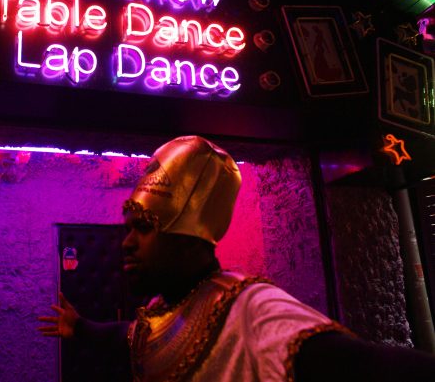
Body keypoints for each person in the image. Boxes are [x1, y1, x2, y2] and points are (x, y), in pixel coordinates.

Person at [39, 135, 435, 381]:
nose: (126, 243)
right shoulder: (166, 308)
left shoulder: (251, 308)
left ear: (189, 238)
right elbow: (130, 336)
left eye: (143, 228)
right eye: (127, 229)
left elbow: (359, 366)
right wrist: (81, 327)